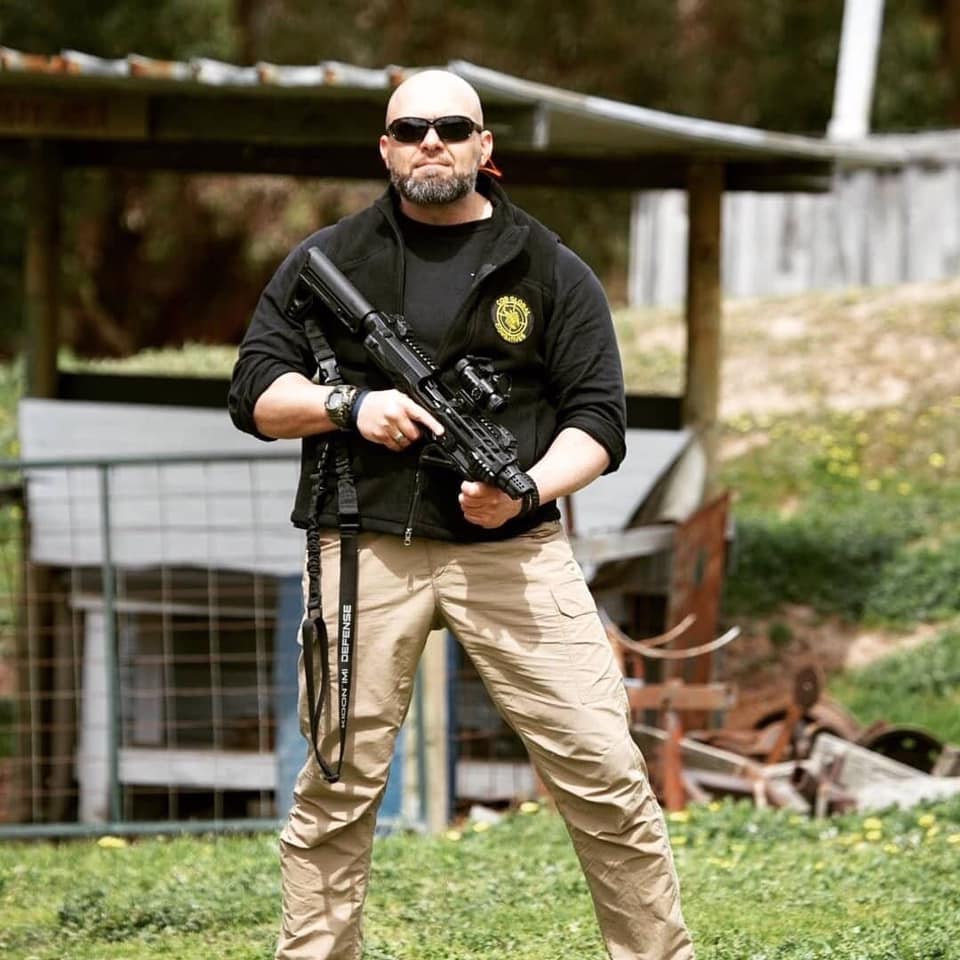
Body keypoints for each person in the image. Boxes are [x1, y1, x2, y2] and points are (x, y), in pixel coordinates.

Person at [228, 68, 693, 960]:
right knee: (337, 784)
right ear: (386, 149)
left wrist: (526, 487)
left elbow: (599, 420)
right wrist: (348, 408)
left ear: (486, 147)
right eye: (410, 130)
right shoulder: (330, 261)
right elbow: (254, 392)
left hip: (513, 552)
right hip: (364, 544)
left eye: (451, 127)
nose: (430, 142)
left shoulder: (550, 268)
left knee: (604, 772)